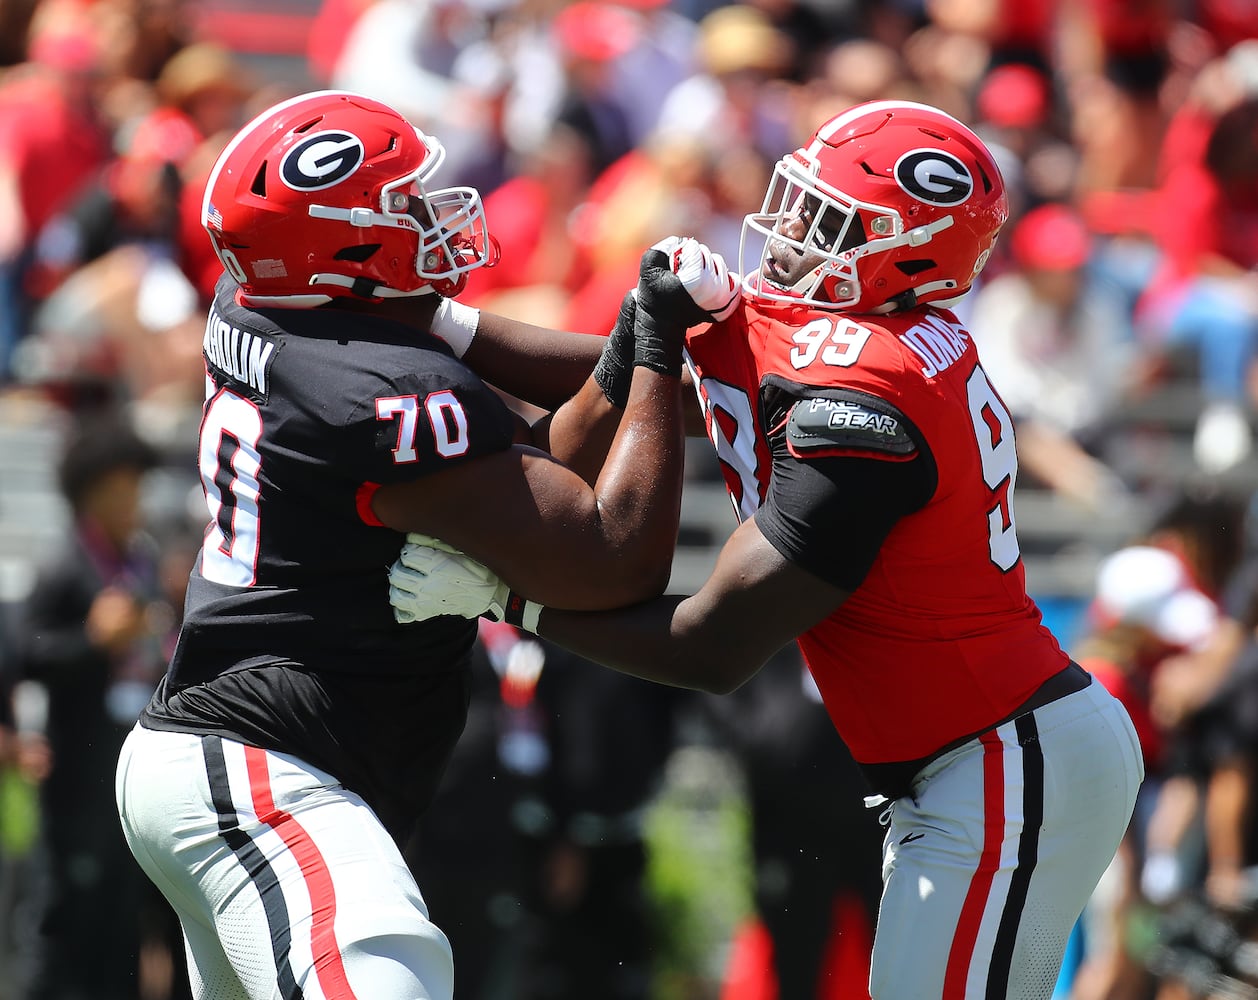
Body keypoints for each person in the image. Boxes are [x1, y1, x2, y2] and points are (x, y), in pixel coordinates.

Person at [389, 100, 1147, 999]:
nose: (788, 236)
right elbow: (635, 373)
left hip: (1003, 758)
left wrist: (502, 599)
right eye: (796, 205)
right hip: (978, 758)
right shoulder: (857, 340)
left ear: (906, 254)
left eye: (825, 223)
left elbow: (715, 646)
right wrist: (444, 326)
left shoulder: (867, 401)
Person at [111, 88, 713, 1000]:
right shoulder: (382, 391)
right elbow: (612, 552)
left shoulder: (270, 306)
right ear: (343, 243)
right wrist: (660, 354)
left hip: (220, 756)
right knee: (392, 974)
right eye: (407, 203)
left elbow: (518, 471)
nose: (436, 215)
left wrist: (634, 349)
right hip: (269, 769)